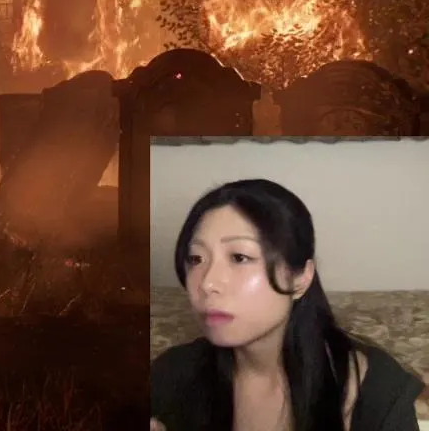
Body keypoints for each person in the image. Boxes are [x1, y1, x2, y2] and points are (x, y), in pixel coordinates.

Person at [150, 179, 423, 431]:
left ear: (300, 278)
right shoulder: (171, 375)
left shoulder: (375, 390)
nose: (207, 283)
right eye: (196, 259)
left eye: (240, 257)